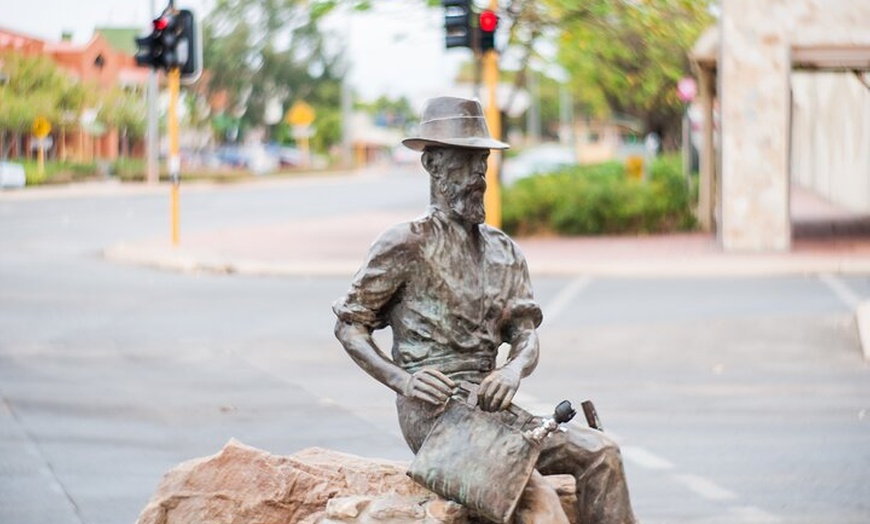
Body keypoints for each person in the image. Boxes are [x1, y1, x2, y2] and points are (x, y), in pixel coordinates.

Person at [333, 96, 637, 524]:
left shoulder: (504, 250)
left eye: (483, 162)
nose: (478, 175)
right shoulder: (405, 244)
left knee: (602, 452)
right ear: (433, 164)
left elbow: (526, 335)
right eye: (465, 161)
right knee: (537, 504)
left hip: (495, 410)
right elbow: (350, 326)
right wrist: (403, 381)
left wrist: (512, 370)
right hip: (436, 418)